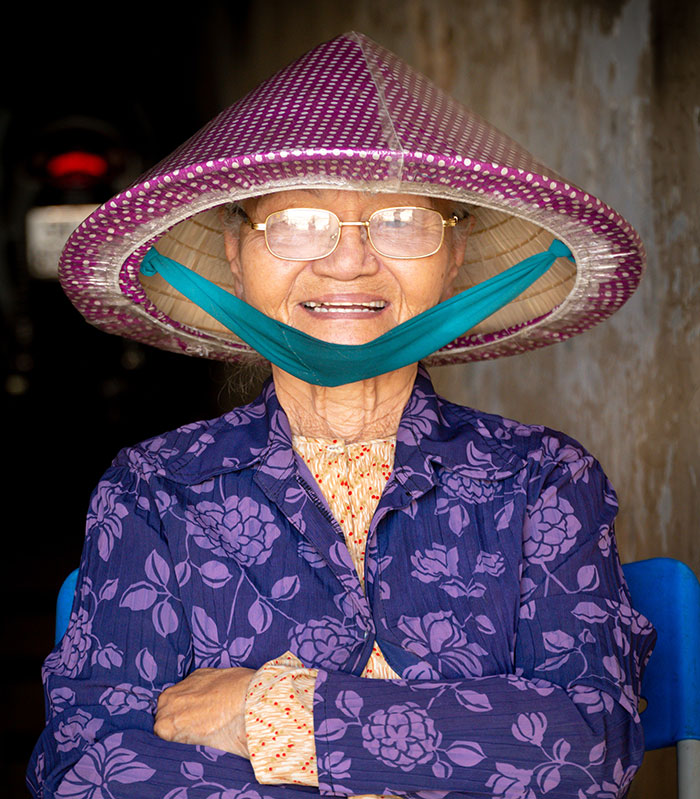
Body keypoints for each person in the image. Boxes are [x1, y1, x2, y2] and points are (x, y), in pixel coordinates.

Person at [29, 32, 655, 799]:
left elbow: (587, 745)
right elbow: (85, 767)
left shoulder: (543, 479)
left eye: (400, 219)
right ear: (234, 251)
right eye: (295, 220)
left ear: (454, 259)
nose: (349, 260)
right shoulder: (156, 490)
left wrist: (273, 714)